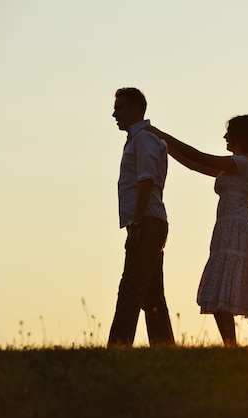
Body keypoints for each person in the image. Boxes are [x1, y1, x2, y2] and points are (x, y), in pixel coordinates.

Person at [146, 115, 248, 348]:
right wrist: (163, 144)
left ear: (240, 136)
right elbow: (193, 163)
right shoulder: (233, 165)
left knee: (247, 300)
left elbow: (200, 156)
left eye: (229, 132)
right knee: (224, 296)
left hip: (237, 230)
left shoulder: (240, 163)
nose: (225, 137)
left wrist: (161, 134)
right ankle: (235, 347)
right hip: (228, 230)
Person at [108, 87, 175, 347]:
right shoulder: (140, 139)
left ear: (136, 109)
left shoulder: (144, 139)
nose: (114, 113)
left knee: (131, 289)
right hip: (148, 221)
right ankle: (166, 348)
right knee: (152, 294)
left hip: (146, 221)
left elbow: (146, 181)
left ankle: (117, 347)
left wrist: (136, 223)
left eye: (120, 107)